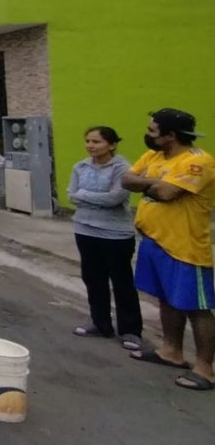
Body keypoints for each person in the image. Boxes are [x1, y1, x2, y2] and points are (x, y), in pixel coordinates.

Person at [120, 108, 215, 392]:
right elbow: (127, 179)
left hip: (185, 246)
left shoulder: (198, 163)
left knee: (197, 307)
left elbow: (167, 193)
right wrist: (154, 183)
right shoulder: (155, 156)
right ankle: (171, 352)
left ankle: (205, 368)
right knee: (166, 299)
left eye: (153, 131)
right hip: (154, 241)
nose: (148, 135)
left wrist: (149, 184)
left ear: (171, 135)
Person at [68, 126, 143, 350]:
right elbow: (72, 195)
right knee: (93, 278)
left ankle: (130, 330)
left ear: (111, 145)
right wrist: (84, 196)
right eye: (88, 141)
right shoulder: (80, 167)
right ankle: (100, 323)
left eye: (97, 142)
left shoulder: (123, 168)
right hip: (84, 229)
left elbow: (116, 197)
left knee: (121, 281)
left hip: (115, 233)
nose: (91, 146)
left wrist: (84, 195)